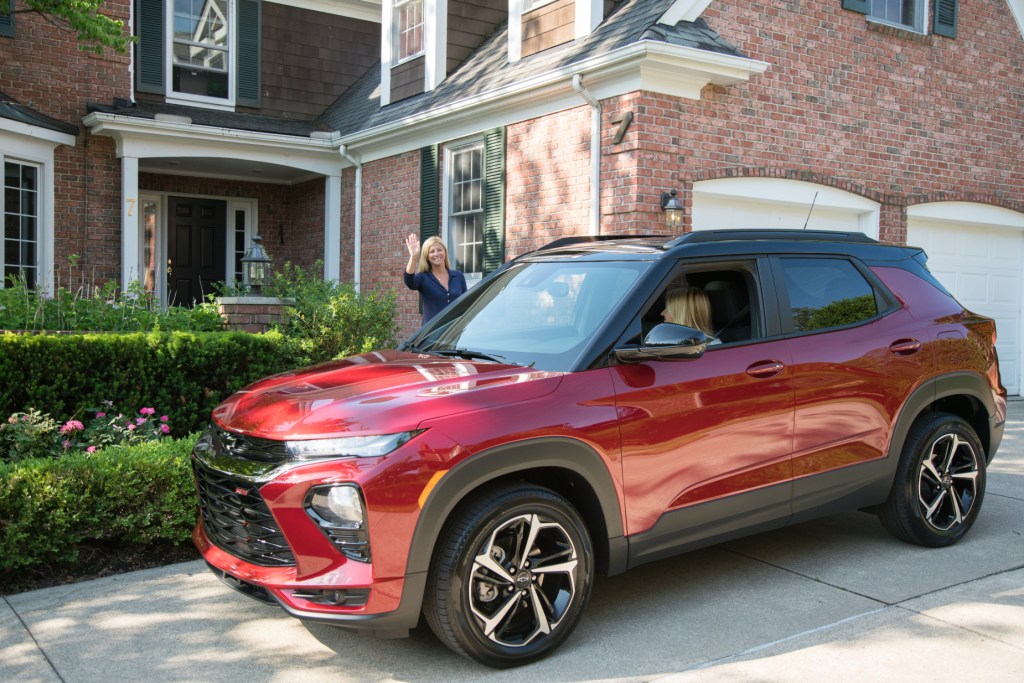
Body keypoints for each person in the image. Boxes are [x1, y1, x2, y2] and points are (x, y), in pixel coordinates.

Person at [404, 233, 468, 324]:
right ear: (427, 256)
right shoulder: (423, 278)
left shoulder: (458, 276)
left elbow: (466, 304)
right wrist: (414, 258)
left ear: (445, 252)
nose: (436, 254)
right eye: (432, 251)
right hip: (432, 335)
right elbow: (409, 281)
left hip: (455, 333)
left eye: (439, 250)